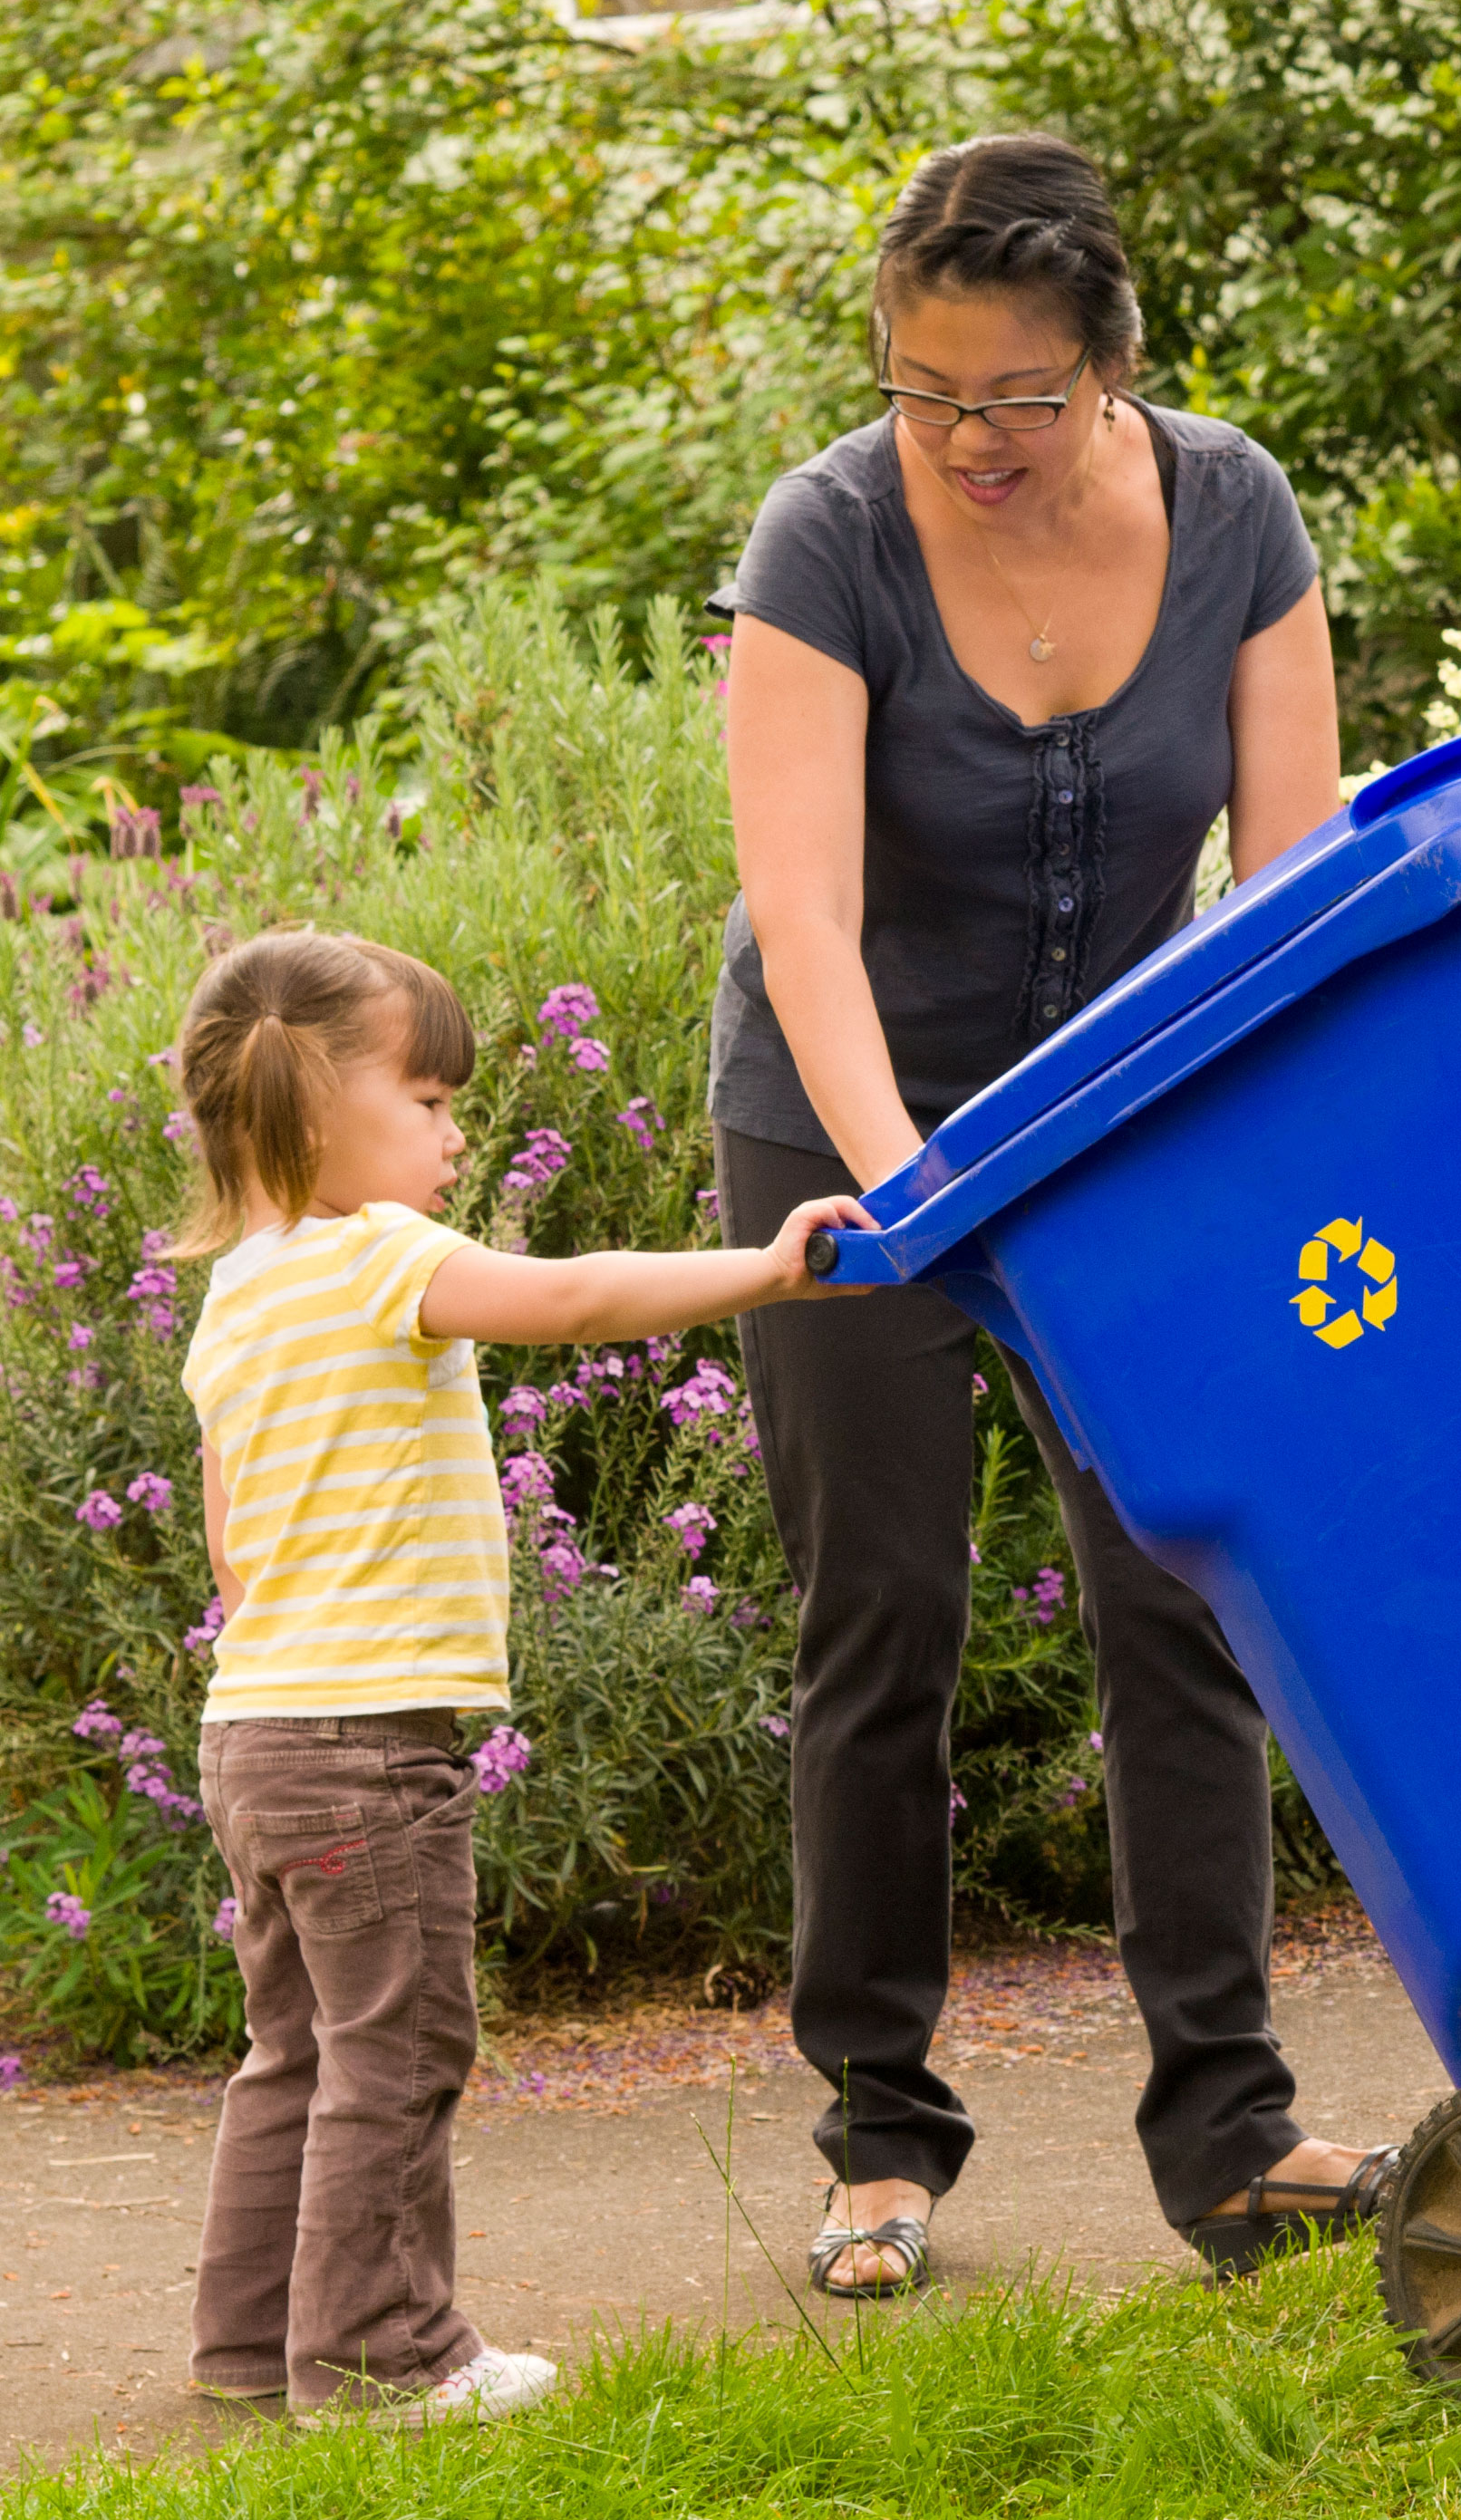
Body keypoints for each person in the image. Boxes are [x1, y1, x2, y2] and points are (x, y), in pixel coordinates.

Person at [710, 130, 1390, 2295]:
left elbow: (1285, 884)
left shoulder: (1233, 510)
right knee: (879, 1620)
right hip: (845, 1134)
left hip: (1126, 1128)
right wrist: (904, 1179)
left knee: (1180, 1595)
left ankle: (1230, 2130)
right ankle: (881, 2135)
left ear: (1111, 361)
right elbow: (805, 920)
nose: (967, 439)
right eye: (925, 392)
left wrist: (1255, 1161)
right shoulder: (824, 538)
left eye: (1013, 395)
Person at [175, 929, 866, 2422]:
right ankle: (381, 2355)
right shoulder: (380, 1258)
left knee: (292, 2052)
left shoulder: (234, 1296)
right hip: (370, 1744)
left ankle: (250, 2348)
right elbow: (569, 1296)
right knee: (398, 2049)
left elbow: (232, 1550)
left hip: (257, 1735)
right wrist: (766, 1273)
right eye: (426, 1101)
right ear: (312, 1115)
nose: (456, 1131)